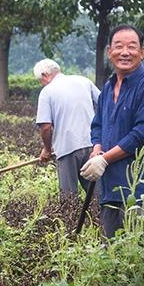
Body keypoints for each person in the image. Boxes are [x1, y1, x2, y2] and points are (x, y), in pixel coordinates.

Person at [79, 25, 144, 237]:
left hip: (141, 191)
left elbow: (142, 133)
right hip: (111, 189)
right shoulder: (107, 88)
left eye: (131, 47)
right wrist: (97, 150)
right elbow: (98, 125)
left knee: (140, 257)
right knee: (112, 254)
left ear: (142, 52)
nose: (125, 52)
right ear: (110, 52)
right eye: (118, 46)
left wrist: (105, 159)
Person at [33, 58, 100, 198]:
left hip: (66, 149)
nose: (42, 83)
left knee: (69, 198)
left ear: (45, 75)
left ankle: (71, 221)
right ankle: (103, 219)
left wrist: (46, 149)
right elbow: (105, 105)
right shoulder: (84, 81)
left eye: (40, 80)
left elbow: (45, 127)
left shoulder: (47, 92)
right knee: (98, 196)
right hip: (92, 145)